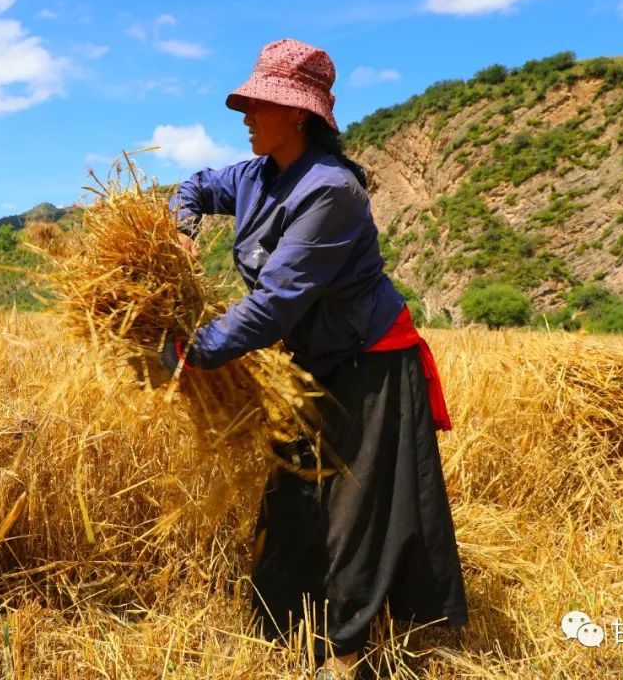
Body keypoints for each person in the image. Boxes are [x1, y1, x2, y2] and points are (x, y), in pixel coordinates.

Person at [161, 38, 468, 680]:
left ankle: (348, 651)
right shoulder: (252, 176)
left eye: (259, 104)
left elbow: (275, 304)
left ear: (298, 114)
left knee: (353, 511)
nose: (245, 115)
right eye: (245, 103)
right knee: (294, 493)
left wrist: (190, 353)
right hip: (309, 363)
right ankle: (282, 629)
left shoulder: (332, 192)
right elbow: (189, 187)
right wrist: (183, 232)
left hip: (369, 361)